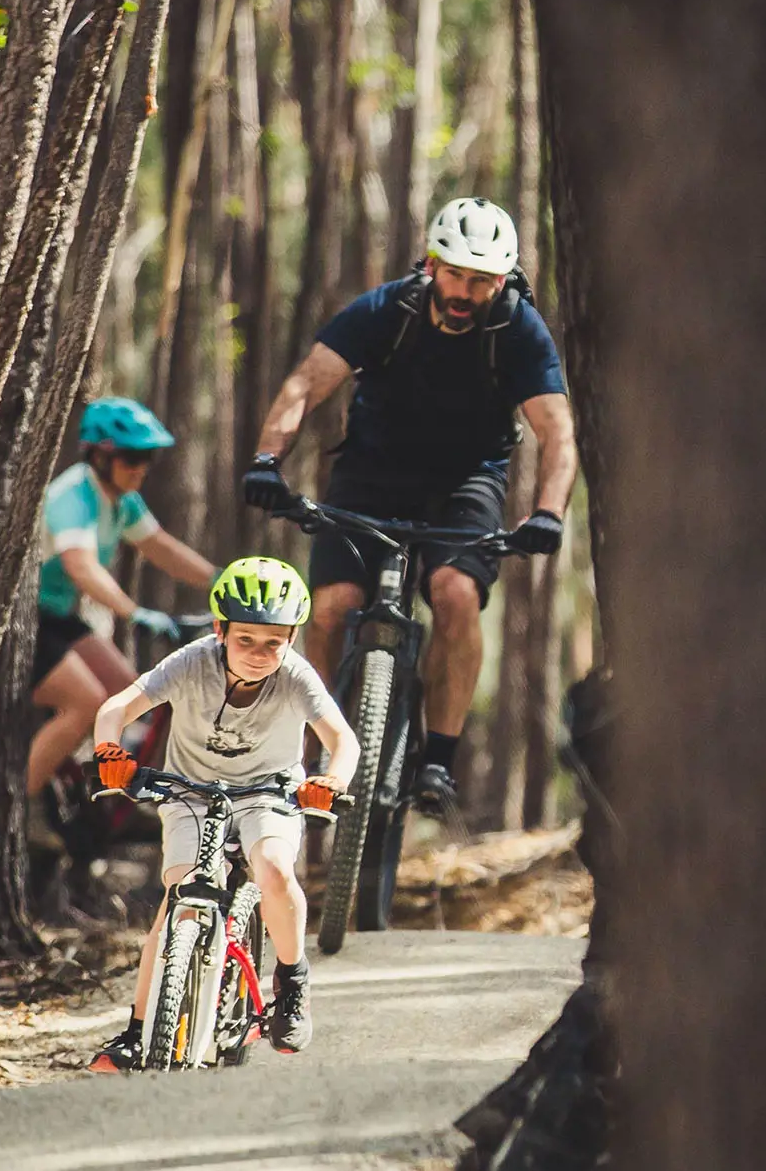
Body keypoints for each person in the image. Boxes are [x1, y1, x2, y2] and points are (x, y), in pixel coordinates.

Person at [239, 197, 576, 810]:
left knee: (453, 594)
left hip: (467, 483)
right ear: (432, 264)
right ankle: (319, 754)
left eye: (479, 281)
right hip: (370, 472)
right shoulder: (386, 310)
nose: (463, 291)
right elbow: (306, 384)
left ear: (499, 282)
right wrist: (267, 461)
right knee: (332, 608)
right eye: (454, 274)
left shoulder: (518, 330)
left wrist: (549, 511)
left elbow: (557, 432)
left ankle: (437, 763)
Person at [84, 558, 358, 1070]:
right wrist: (109, 753)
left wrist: (331, 782)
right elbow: (115, 709)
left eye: (274, 642)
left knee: (274, 868)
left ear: (292, 639)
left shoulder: (296, 676)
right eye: (245, 640)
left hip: (268, 795)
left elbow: (342, 740)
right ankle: (138, 1032)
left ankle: (292, 983)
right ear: (220, 631)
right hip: (190, 793)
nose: (259, 654)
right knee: (177, 899)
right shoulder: (191, 662)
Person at [30, 397, 218, 799]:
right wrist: (133, 613)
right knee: (85, 702)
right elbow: (80, 566)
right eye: (132, 457)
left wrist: (222, 581)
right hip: (28, 622)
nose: (141, 468)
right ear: (100, 456)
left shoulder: (120, 499)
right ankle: (24, 812)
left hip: (59, 617)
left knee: (130, 693)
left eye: (147, 457)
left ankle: (102, 794)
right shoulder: (74, 495)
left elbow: (160, 547)